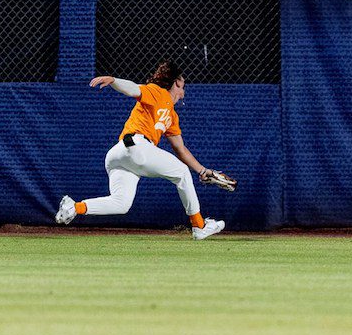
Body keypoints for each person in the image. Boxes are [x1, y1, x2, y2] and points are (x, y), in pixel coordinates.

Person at [55, 60, 226, 240]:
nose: (183, 94)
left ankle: (74, 207)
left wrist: (202, 170)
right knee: (182, 173)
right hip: (136, 146)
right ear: (176, 83)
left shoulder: (171, 117)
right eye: (183, 87)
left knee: (121, 204)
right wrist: (114, 80)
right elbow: (133, 89)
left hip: (119, 155)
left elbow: (180, 149)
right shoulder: (158, 92)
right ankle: (199, 226)